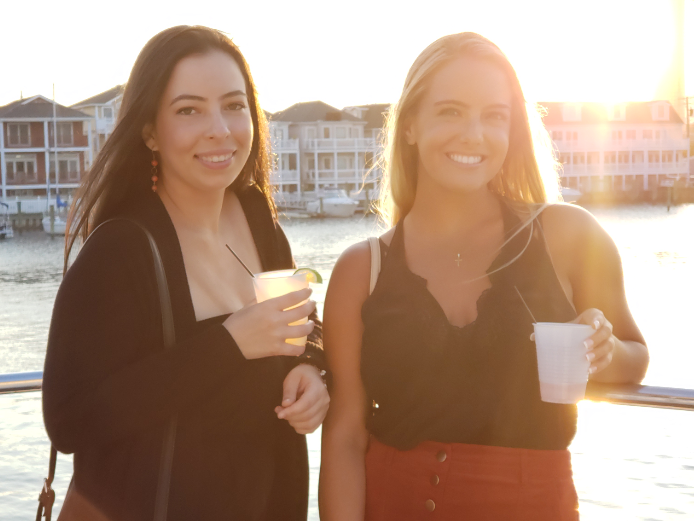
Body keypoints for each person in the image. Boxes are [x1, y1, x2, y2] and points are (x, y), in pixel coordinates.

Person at [319, 32, 649, 521]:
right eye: (450, 111)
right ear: (409, 124)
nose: (474, 134)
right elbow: (345, 437)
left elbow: (634, 359)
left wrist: (602, 349)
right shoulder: (358, 270)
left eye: (495, 116)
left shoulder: (569, 235)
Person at [43, 26, 329, 521]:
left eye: (234, 105)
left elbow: (301, 328)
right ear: (150, 131)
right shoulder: (120, 248)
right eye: (189, 110)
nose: (219, 128)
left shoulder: (256, 215)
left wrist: (313, 372)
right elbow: (70, 418)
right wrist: (228, 344)